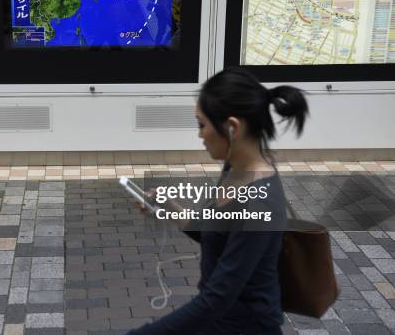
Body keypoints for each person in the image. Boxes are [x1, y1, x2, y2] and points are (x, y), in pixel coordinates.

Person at [129, 68, 309, 335]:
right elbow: (212, 231)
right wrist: (167, 206)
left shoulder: (258, 202)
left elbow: (216, 299)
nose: (200, 135)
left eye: (202, 125)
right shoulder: (235, 170)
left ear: (232, 128)